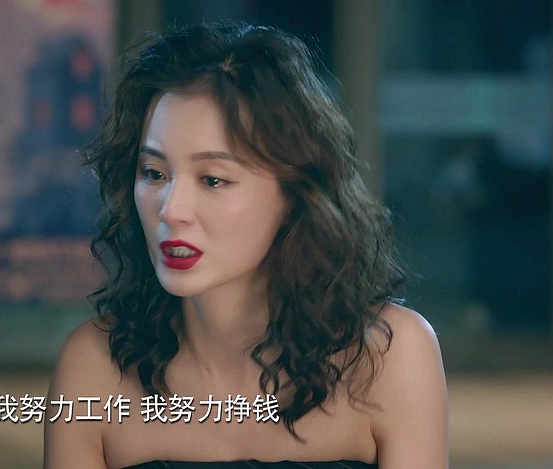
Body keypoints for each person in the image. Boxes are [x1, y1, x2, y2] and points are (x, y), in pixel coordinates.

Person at [45, 22, 447, 469]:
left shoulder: (387, 358)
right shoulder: (94, 368)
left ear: (294, 193)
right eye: (154, 174)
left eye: (213, 179)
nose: (171, 209)